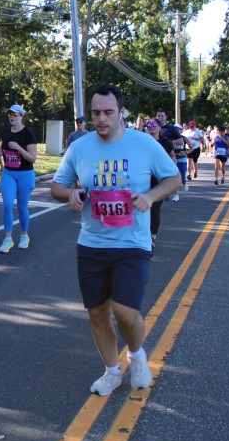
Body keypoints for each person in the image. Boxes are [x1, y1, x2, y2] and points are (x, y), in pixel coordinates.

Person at [51, 84, 181, 396]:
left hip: (132, 243)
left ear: (121, 112)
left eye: (108, 112)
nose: (101, 118)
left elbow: (174, 178)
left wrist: (151, 196)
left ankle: (136, 353)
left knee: (124, 311)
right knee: (97, 313)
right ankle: (112, 372)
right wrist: (71, 194)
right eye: (96, 112)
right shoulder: (80, 148)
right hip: (92, 243)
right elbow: (57, 186)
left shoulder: (144, 144)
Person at [0, 104, 38, 253]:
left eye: (15, 114)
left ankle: (24, 235)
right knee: (7, 205)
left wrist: (19, 148)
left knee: (22, 207)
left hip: (25, 174)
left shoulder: (28, 133)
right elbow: (2, 149)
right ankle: (8, 239)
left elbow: (32, 158)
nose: (11, 117)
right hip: (8, 173)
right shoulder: (6, 132)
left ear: (22, 116)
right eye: (10, 114)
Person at [144, 120, 175, 250]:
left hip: (158, 181)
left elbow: (172, 156)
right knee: (143, 209)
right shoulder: (142, 141)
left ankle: (152, 237)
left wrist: (171, 167)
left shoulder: (165, 142)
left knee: (154, 209)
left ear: (159, 127)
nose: (151, 128)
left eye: (153, 125)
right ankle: (142, 236)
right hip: (143, 180)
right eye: (148, 126)